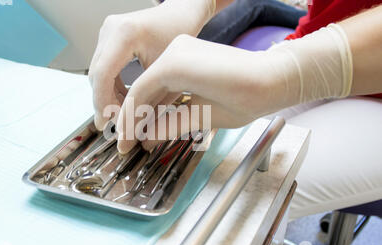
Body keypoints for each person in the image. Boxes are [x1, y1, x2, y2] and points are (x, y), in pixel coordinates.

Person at [89, 0, 382, 218]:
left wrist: (293, 72)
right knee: (200, 163)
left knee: (237, 203)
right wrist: (193, 6)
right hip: (313, 42)